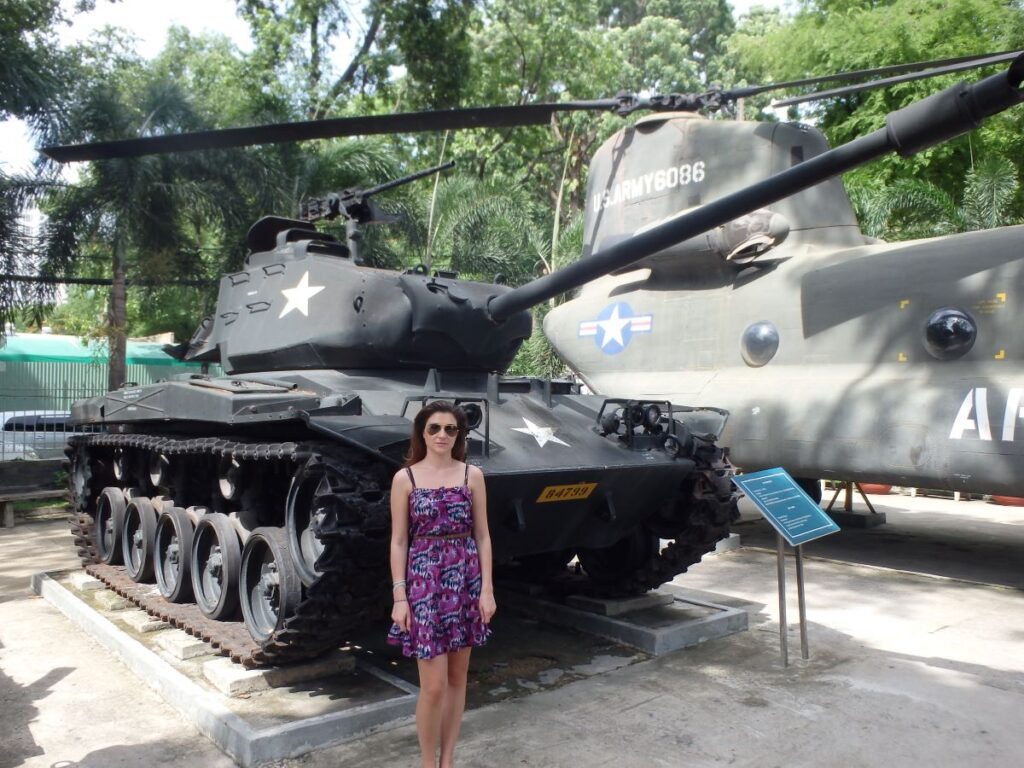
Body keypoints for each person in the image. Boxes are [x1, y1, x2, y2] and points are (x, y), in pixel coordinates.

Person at [388, 400, 496, 768]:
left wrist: (487, 590)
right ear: (422, 432)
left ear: (459, 435)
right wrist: (399, 595)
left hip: (465, 582)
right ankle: (426, 762)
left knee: (457, 678)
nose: (442, 435)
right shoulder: (406, 478)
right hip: (423, 585)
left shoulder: (472, 475)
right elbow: (399, 541)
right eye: (434, 428)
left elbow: (482, 536)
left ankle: (447, 759)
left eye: (451, 429)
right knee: (432, 686)